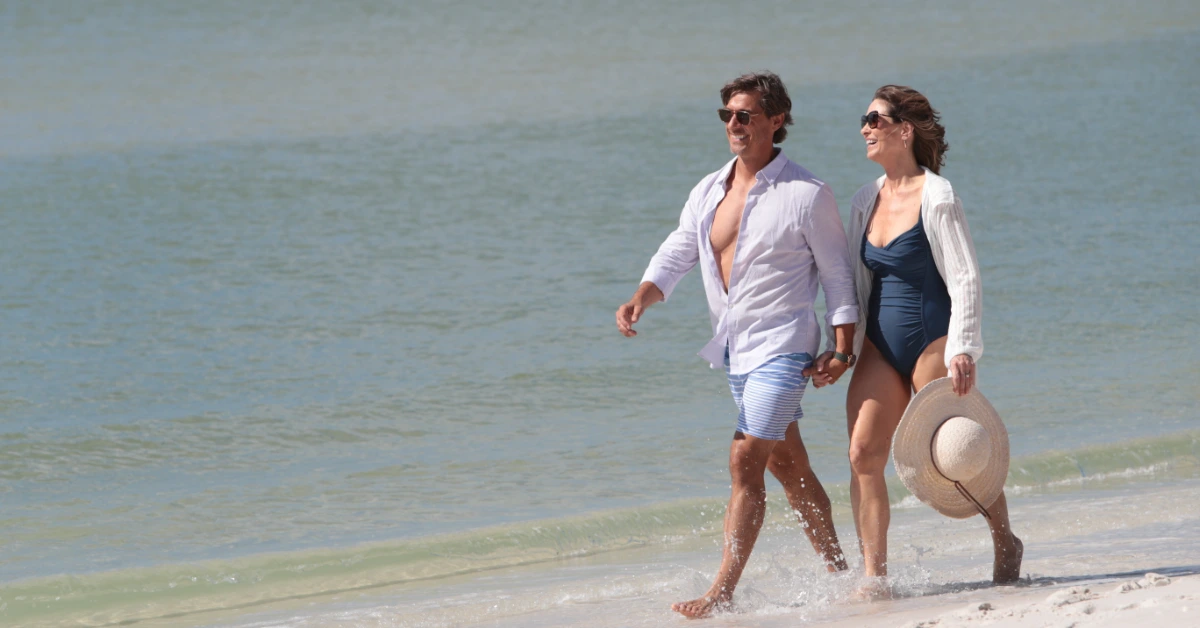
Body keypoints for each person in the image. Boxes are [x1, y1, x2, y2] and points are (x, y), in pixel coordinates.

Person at [615, 72, 858, 618]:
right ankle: (843, 574)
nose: (734, 124)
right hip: (736, 351)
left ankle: (721, 589)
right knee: (789, 468)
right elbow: (679, 251)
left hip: (787, 345)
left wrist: (843, 348)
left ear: (776, 120)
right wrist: (642, 297)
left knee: (745, 458)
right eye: (727, 114)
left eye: (745, 115)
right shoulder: (709, 189)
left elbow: (838, 275)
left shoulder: (806, 193)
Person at [839, 85, 1022, 598]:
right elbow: (856, 285)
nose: (865, 128)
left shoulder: (938, 194)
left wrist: (964, 347)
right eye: (865, 119)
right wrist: (842, 349)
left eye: (875, 119)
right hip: (878, 345)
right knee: (861, 455)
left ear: (905, 130)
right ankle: (875, 576)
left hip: (932, 341)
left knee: (957, 453)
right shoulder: (863, 199)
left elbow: (965, 277)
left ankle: (1004, 538)